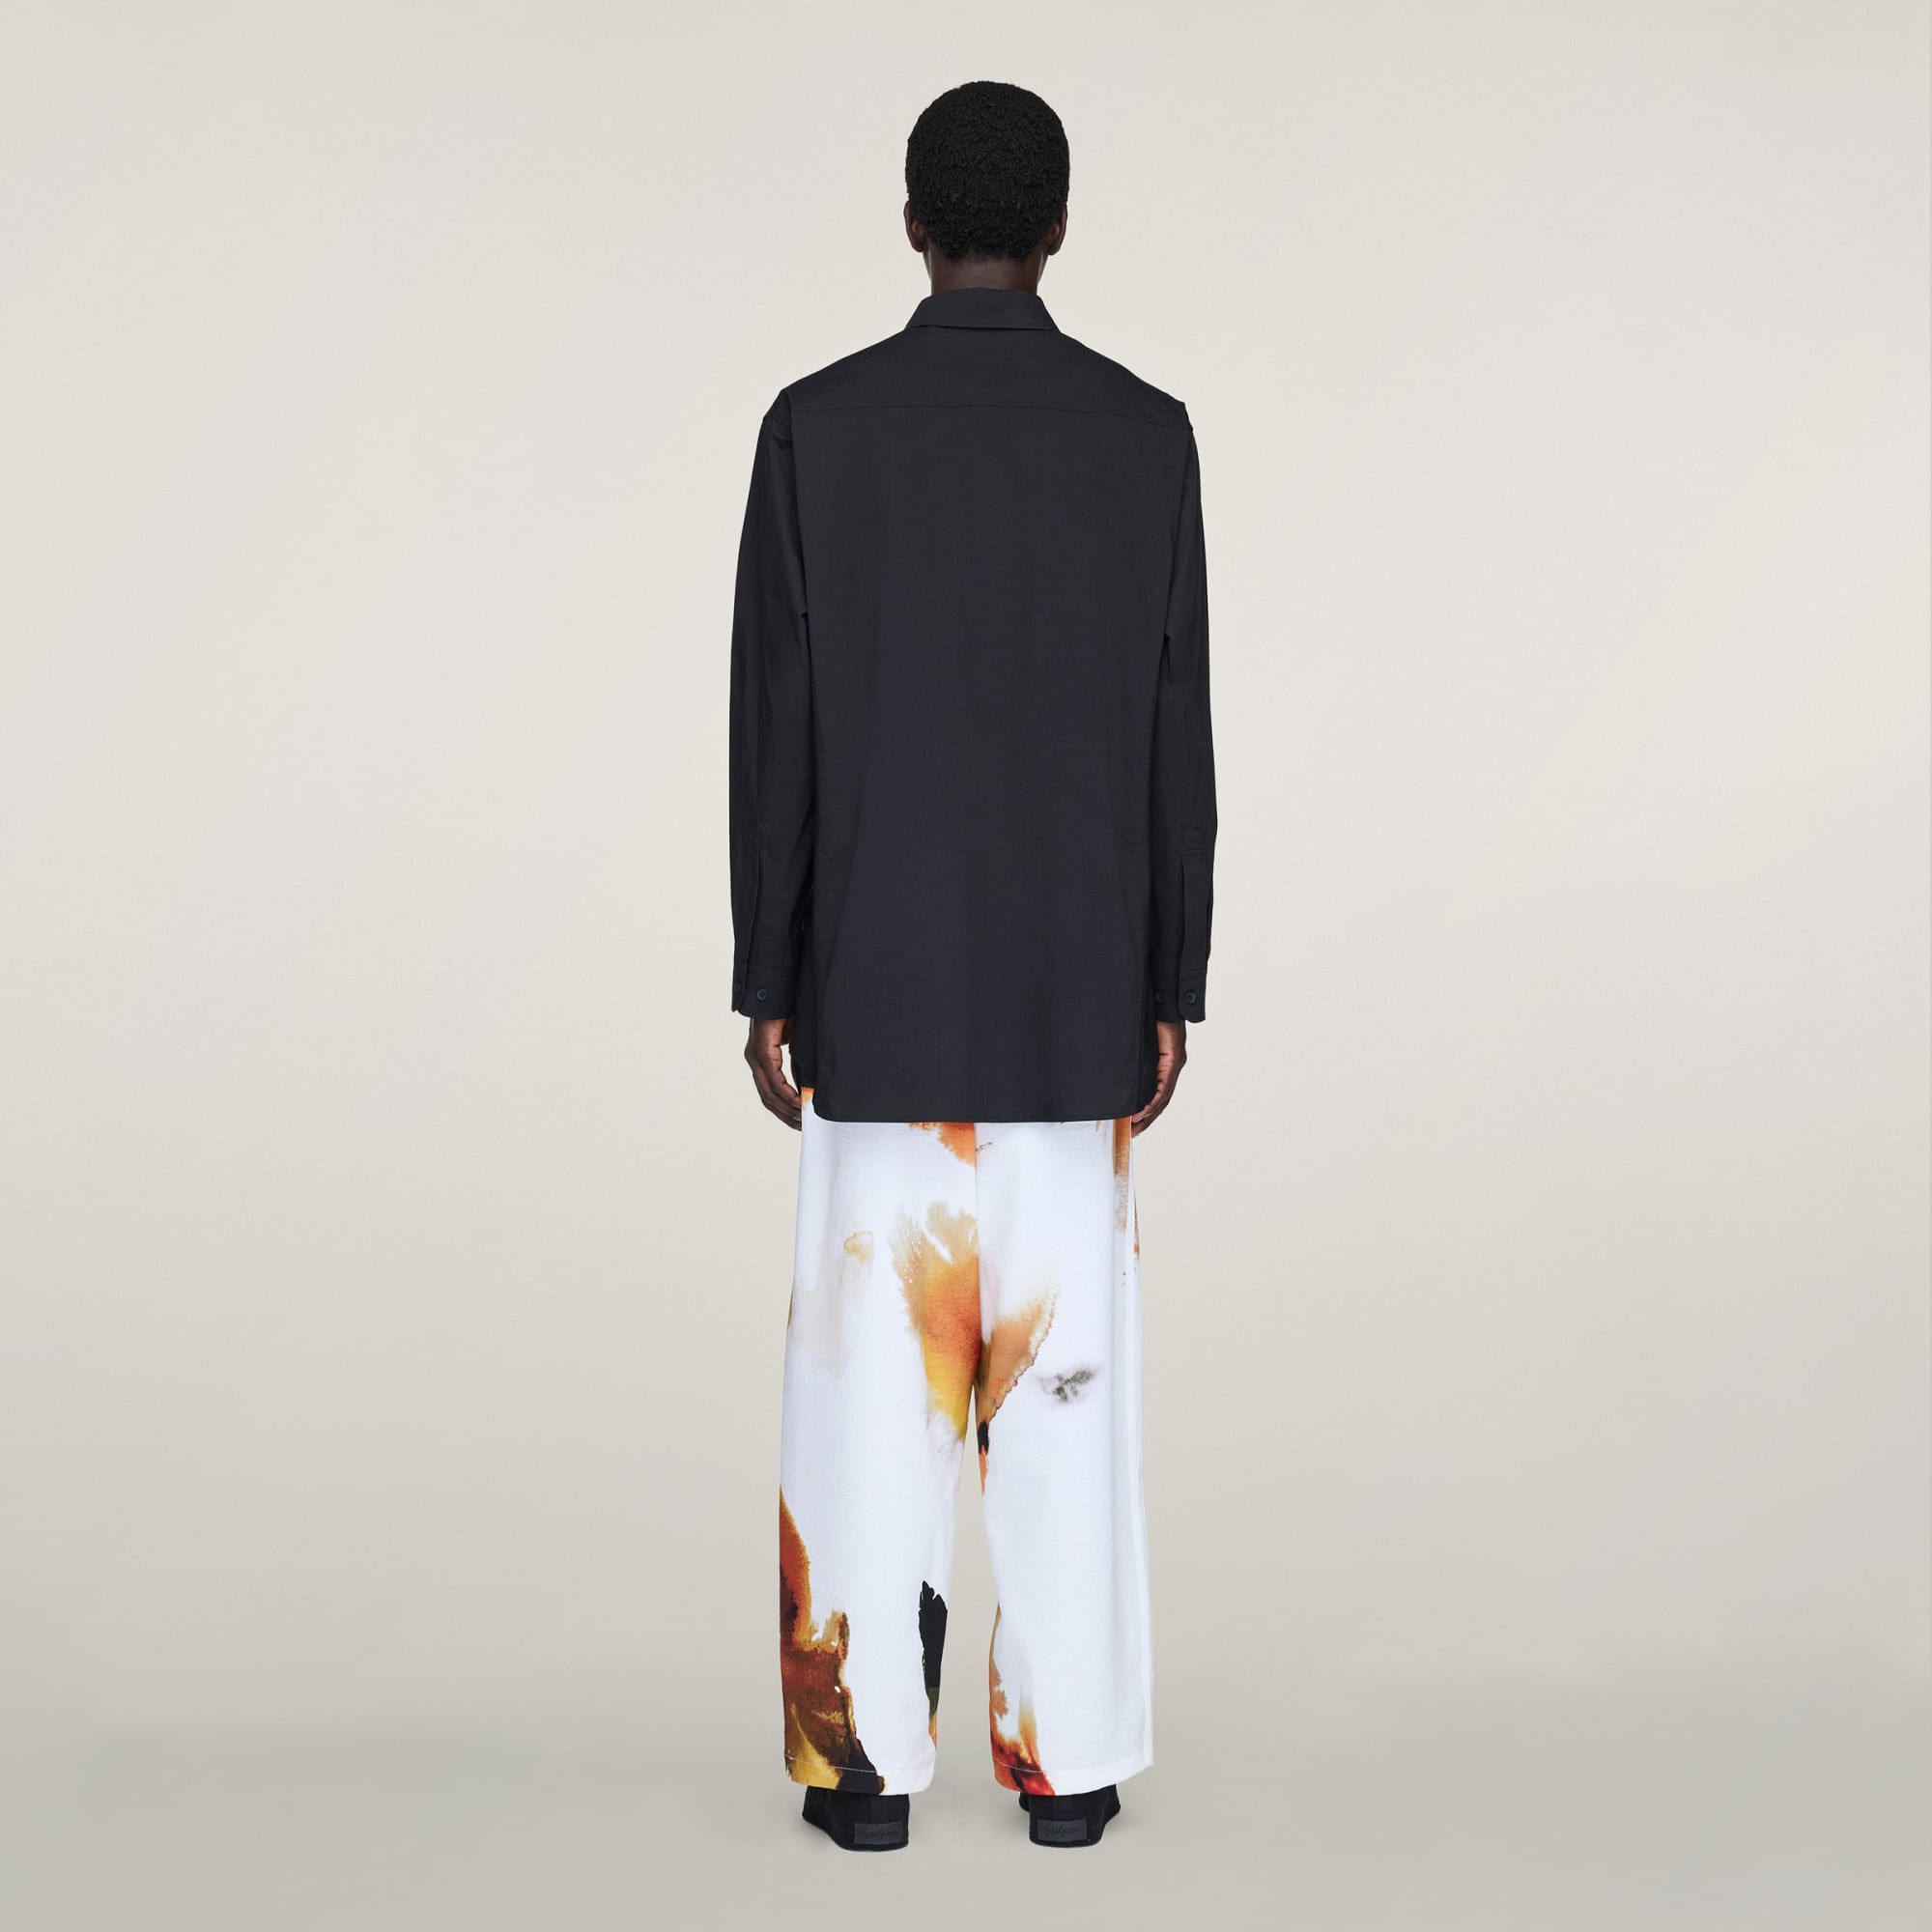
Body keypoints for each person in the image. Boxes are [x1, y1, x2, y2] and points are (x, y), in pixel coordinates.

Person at [727, 79, 1215, 1853]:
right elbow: (1174, 731)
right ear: (1058, 228)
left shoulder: (816, 430)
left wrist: (768, 975)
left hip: (877, 1001)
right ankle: (1068, 1772)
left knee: (870, 1407)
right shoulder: (1145, 436)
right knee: (1066, 1408)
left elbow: (776, 732)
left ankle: (863, 1783)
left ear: (914, 225)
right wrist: (1172, 979)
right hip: (1077, 1010)